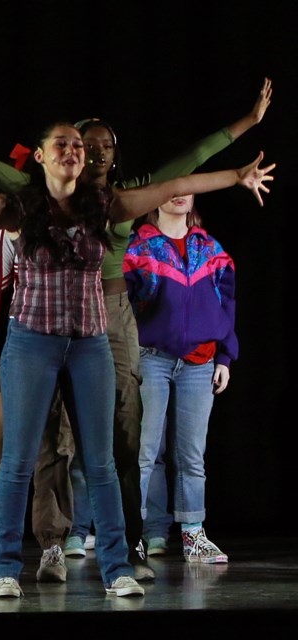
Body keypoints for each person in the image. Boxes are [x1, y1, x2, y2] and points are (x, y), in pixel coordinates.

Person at [0, 123, 272, 597]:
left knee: (101, 463)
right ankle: (3, 567)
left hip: (89, 344)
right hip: (31, 344)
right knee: (19, 460)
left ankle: (117, 568)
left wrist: (236, 176)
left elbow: (178, 184)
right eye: (60, 143)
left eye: (77, 146)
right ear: (41, 158)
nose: (71, 150)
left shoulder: (106, 205)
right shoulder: (21, 207)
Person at [124, 195, 235, 563]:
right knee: (146, 451)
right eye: (173, 186)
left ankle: (193, 535)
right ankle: (138, 534)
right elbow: (121, 304)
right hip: (150, 357)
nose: (180, 194)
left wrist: (225, 356)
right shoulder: (138, 246)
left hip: (199, 361)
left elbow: (227, 301)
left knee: (191, 454)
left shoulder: (210, 248)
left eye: (187, 188)